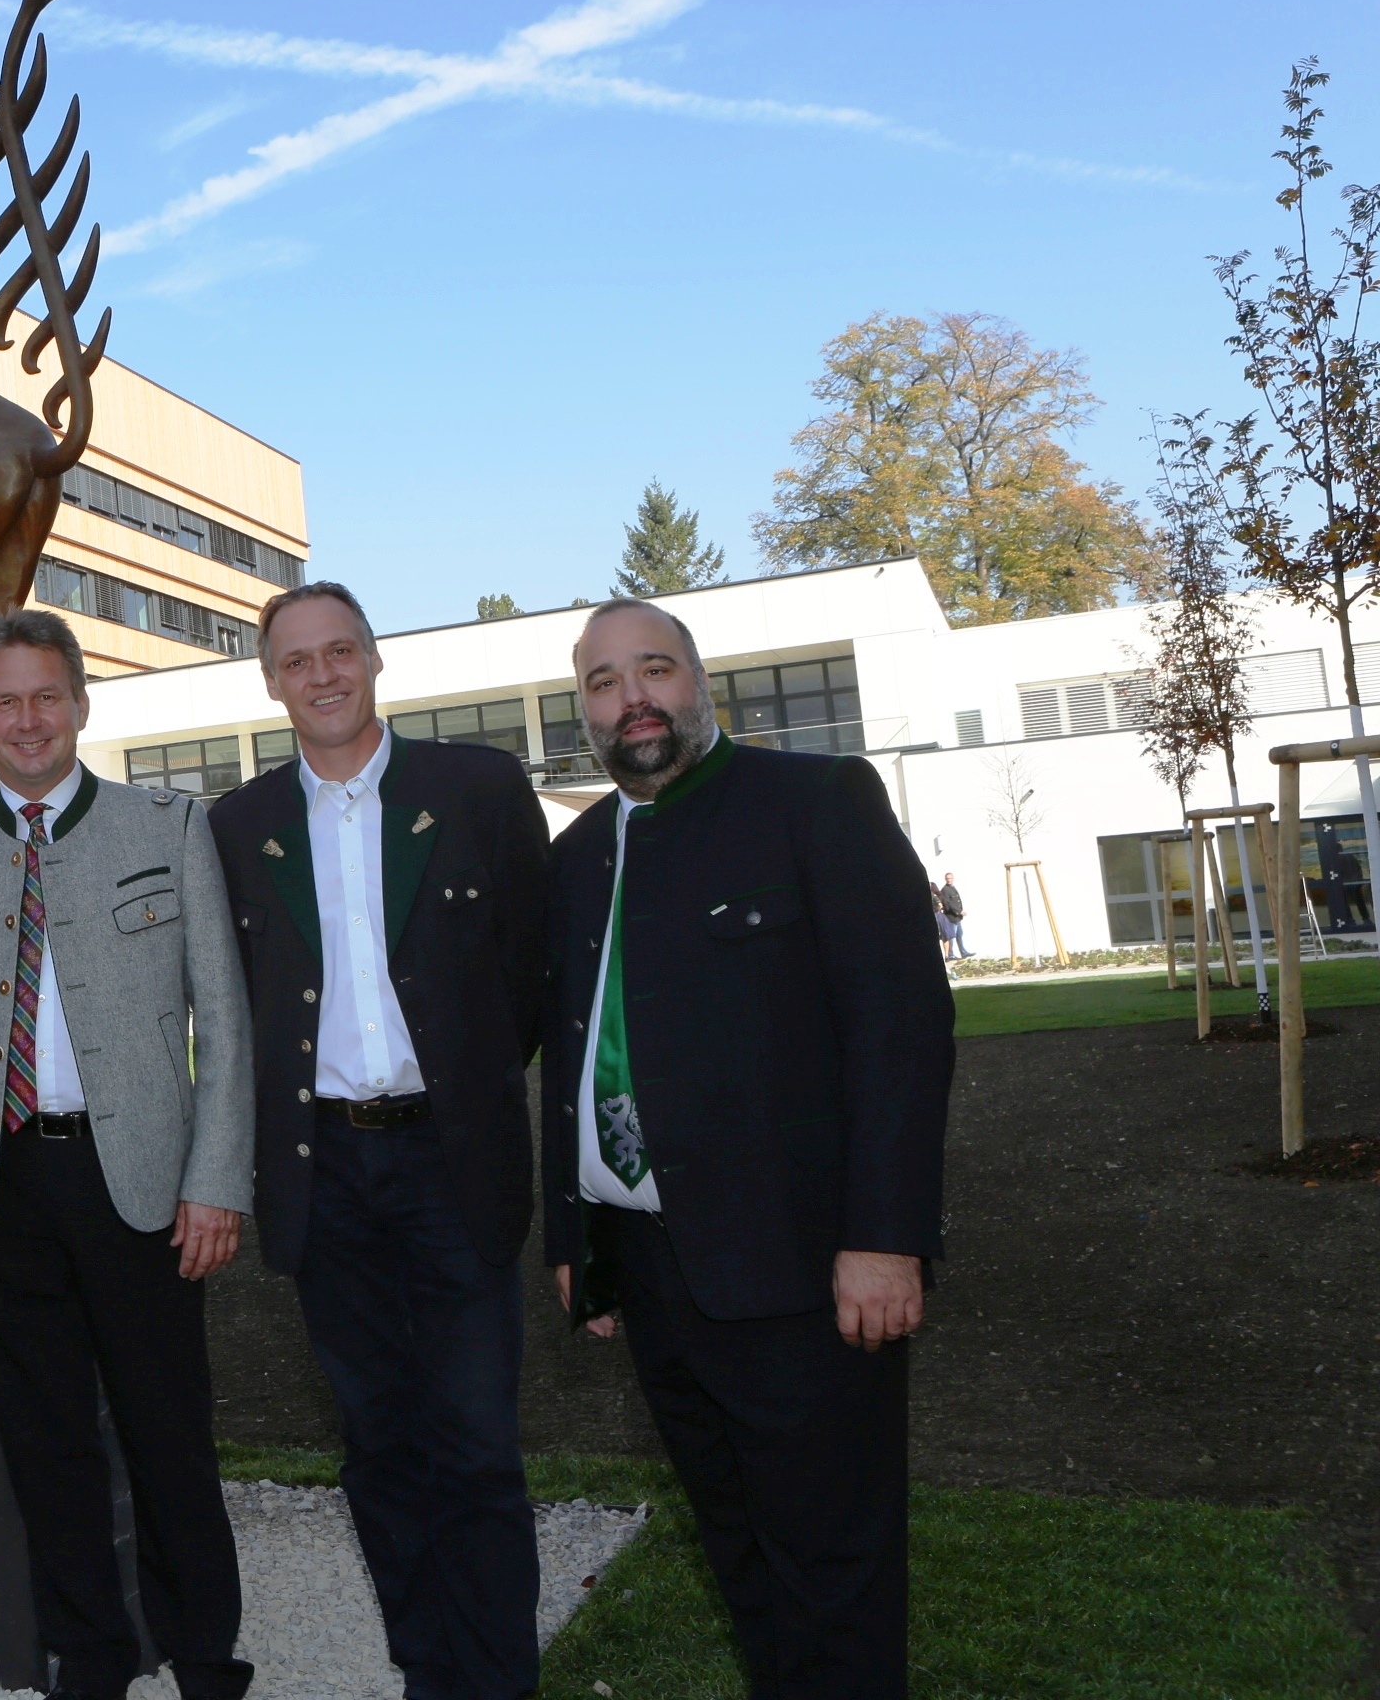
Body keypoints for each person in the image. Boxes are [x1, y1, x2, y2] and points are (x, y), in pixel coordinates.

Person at [545, 601, 953, 1698]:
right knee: (740, 1554)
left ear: (700, 681)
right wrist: (577, 1237)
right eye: (603, 682)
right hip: (650, 1271)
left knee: (832, 1568)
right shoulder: (576, 857)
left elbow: (901, 1031)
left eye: (655, 669)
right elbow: (576, 1047)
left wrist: (886, 1237)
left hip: (805, 1270)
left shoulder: (816, 803)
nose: (632, 698)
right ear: (583, 709)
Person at [0, 609, 256, 1700]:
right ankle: (88, 1656)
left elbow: (226, 1022)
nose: (28, 719)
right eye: (5, 700)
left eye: (47, 695)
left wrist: (215, 1181)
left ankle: (205, 1653)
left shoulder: (168, 827)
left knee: (168, 1431)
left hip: (141, 1185)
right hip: (0, 1186)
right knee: (44, 1439)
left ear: (81, 704)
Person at [207, 582, 551, 1700]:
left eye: (339, 651)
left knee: (477, 1442)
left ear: (374, 658)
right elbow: (237, 1002)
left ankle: (496, 1680)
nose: (322, 676)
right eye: (297, 660)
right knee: (380, 1444)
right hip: (324, 1174)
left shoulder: (477, 788)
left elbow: (531, 974)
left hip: (452, 1163)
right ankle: (428, 1668)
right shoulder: (238, 826)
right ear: (271, 681)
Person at [936, 873, 969, 959]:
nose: (949, 880)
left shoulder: (952, 888)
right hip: (951, 916)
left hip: (957, 917)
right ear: (945, 879)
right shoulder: (945, 889)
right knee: (951, 936)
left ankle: (963, 952)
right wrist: (959, 911)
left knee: (959, 934)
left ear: (953, 878)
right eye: (947, 878)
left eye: (950, 878)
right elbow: (948, 904)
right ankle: (951, 954)